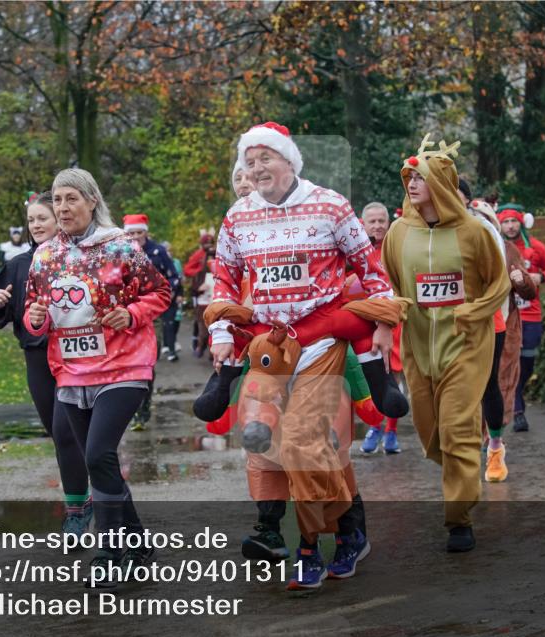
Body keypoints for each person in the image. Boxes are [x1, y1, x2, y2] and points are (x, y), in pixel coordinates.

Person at [202, 122, 406, 588]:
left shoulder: (330, 205)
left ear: (289, 160)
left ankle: (310, 547)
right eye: (249, 162)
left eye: (265, 159)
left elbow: (371, 271)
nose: (256, 169)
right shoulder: (237, 217)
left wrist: (383, 324)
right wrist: (219, 332)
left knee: (299, 443)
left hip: (319, 341)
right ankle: (352, 529)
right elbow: (225, 282)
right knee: (284, 445)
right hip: (266, 346)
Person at [24, 168, 171, 582]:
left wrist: (132, 313)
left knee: (97, 455)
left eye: (72, 198)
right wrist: (35, 319)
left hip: (124, 366)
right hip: (71, 371)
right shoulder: (45, 255)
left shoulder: (120, 247)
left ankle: (109, 553)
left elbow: (160, 293)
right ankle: (139, 545)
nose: (63, 207)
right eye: (57, 199)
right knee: (99, 464)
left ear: (92, 201)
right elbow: (36, 311)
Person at [381, 134, 510, 552]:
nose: (411, 185)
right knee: (429, 429)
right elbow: (389, 284)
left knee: (456, 426)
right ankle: (462, 457)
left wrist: (475, 311)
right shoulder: (398, 234)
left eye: (418, 177)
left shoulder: (475, 232)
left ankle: (459, 519)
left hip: (466, 346)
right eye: (408, 178)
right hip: (418, 347)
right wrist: (390, 314)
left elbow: (498, 282)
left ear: (439, 182)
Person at [0, 192, 91, 538]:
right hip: (37, 357)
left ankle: (77, 509)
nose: (36, 225)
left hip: (74, 355)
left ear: (60, 218)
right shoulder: (19, 264)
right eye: (31, 220)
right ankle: (86, 497)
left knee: (66, 430)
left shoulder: (79, 257)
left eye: (42, 217)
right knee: (59, 434)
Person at [465, 196, 536, 482]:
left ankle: (491, 441)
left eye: (485, 222)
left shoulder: (506, 250)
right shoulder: (451, 248)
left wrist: (521, 280)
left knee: (498, 382)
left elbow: (529, 290)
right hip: (464, 328)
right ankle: (470, 438)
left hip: (502, 325)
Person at [497, 204, 545, 433]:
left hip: (531, 313)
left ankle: (516, 392)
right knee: (508, 361)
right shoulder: (497, 248)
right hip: (507, 314)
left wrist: (539, 277)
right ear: (500, 225)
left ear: (521, 222)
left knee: (527, 361)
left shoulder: (535, 247)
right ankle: (518, 410)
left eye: (514, 221)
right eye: (506, 222)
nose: (510, 226)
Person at [357, 201, 405, 455]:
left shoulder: (397, 249)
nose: (377, 225)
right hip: (364, 325)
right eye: (372, 221)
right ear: (362, 224)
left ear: (388, 223)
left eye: (381, 221)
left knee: (392, 376)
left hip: (392, 324)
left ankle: (391, 431)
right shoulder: (355, 252)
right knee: (370, 379)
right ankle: (375, 425)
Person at [123, 215, 182, 361]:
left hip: (157, 300)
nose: (136, 236)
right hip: (133, 304)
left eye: (139, 232)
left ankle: (168, 352)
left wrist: (169, 292)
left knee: (163, 331)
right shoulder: (121, 252)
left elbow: (174, 275)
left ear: (146, 232)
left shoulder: (158, 251)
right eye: (132, 233)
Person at [183, 229, 218, 358]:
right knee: (200, 319)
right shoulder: (198, 255)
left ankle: (211, 349)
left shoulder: (218, 253)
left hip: (215, 292)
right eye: (206, 244)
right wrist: (199, 273)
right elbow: (187, 270)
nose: (208, 246)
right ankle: (198, 343)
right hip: (201, 292)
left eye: (210, 243)